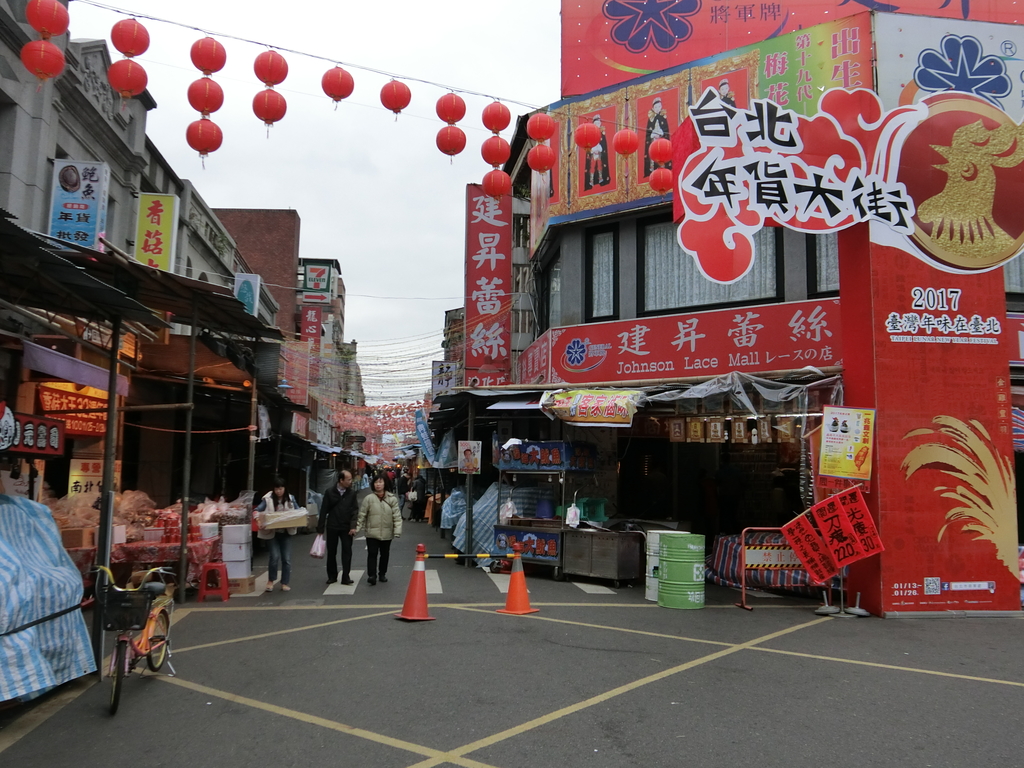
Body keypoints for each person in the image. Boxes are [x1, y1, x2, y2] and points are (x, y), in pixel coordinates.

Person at [355, 472, 401, 585]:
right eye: (376, 482)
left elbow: (397, 516)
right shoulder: (368, 499)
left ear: (385, 483)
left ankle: (382, 574)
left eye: (380, 482)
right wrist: (356, 529)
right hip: (372, 532)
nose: (378, 484)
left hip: (387, 532)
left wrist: (397, 530)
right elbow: (362, 515)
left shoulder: (392, 499)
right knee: (372, 554)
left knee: (385, 554)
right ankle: (372, 575)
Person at [255, 476, 299, 592]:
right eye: (276, 489)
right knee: (274, 557)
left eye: (281, 488)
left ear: (284, 488)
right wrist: (259, 521)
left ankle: (284, 582)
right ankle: (271, 580)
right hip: (272, 532)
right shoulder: (268, 499)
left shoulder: (290, 498)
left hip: (285, 532)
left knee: (286, 559)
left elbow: (298, 512)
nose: (279, 491)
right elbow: (257, 510)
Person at [316, 469, 357, 585]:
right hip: (333, 526)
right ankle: (332, 576)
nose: (350, 481)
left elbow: (355, 511)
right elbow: (323, 510)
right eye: (348, 479)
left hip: (346, 527)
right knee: (332, 552)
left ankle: (346, 576)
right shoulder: (330, 492)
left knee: (347, 552)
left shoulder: (352, 493)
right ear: (341, 480)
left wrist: (353, 526)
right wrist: (320, 529)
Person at [644, 97, 671, 176]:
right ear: (653, 108)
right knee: (653, 154)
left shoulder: (663, 117)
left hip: (662, 141)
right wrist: (653, 135)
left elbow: (666, 130)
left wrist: (661, 134)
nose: (657, 109)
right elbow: (648, 132)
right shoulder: (651, 119)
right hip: (653, 141)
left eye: (659, 106)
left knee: (662, 153)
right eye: (655, 107)